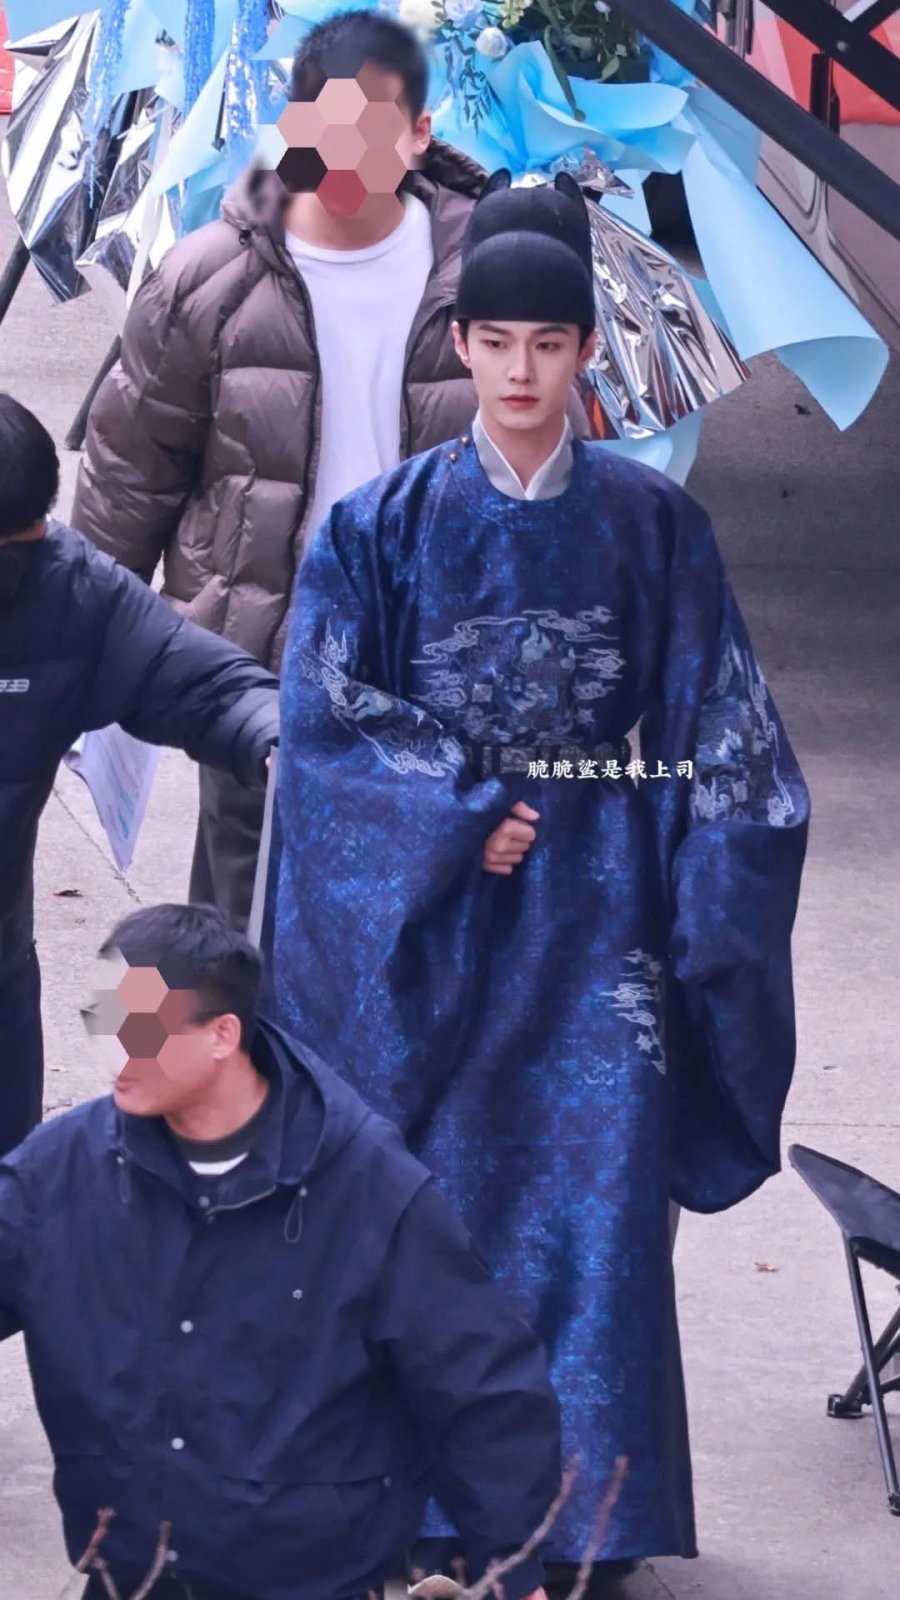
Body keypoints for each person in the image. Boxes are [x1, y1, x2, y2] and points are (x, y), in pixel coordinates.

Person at [271, 172, 811, 1580]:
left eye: (550, 344)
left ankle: (593, 1519)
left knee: (599, 1217)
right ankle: (427, 1511)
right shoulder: (377, 527)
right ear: (460, 345)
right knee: (432, 1214)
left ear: (587, 353)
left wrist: (708, 910)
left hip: (602, 921)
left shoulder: (655, 525)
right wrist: (458, 817)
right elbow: (324, 721)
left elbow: (728, 734)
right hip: (437, 922)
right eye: (497, 342)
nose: (521, 372)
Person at [72, 9, 591, 931]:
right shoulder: (207, 279)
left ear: (421, 133)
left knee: (441, 928)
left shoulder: (487, 276)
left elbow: (558, 466)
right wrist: (77, 649)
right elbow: (132, 469)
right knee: (252, 925)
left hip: (443, 661)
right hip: (262, 663)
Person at [0, 902, 559, 1600]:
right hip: (131, 1575)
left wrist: (515, 1569)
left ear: (222, 1035)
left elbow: (481, 1385)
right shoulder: (57, 1173)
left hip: (311, 1580)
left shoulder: (369, 1187)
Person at [0, 395, 279, 1161]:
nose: (19, 572)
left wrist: (276, 737)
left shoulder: (68, 590)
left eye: (28, 541)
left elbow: (200, 683)